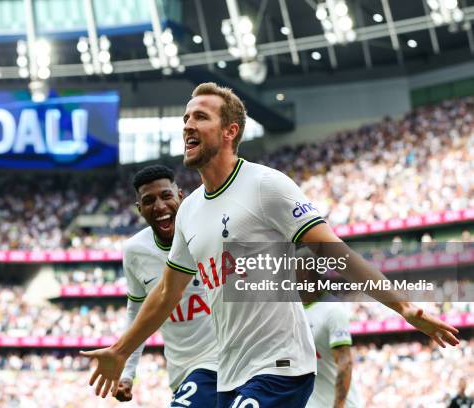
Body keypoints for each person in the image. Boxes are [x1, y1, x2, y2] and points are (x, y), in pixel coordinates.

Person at [82, 82, 459, 407]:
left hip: (281, 366)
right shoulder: (191, 210)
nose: (187, 126)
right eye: (185, 119)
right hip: (228, 372)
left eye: (200, 117)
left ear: (230, 131)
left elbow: (334, 252)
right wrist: (120, 350)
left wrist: (404, 307)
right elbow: (165, 293)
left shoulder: (265, 185)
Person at [115, 165, 218, 407]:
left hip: (221, 363)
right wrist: (128, 373)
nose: (160, 206)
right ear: (140, 210)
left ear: (180, 196)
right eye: (149, 200)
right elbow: (137, 314)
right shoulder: (134, 251)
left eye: (166, 196)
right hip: (181, 373)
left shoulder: (209, 233)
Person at [296, 247, 361, 408]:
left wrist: (338, 406)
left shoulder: (332, 310)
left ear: (304, 272)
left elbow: (345, 362)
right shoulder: (293, 311)